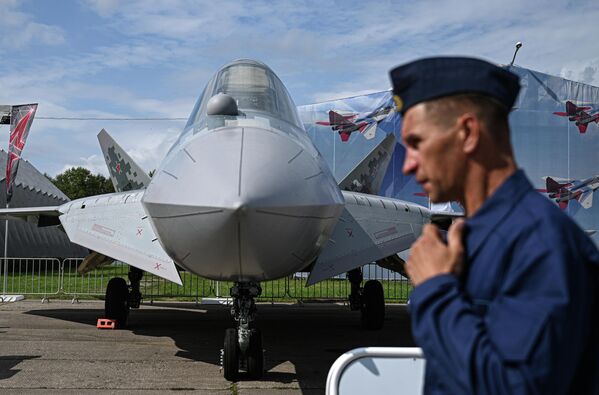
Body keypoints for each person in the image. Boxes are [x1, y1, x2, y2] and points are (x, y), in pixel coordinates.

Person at [389, 57, 599, 394]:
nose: (409, 165)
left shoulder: (540, 244)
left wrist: (436, 289)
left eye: (416, 143)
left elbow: (513, 386)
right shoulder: (484, 238)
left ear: (468, 133)